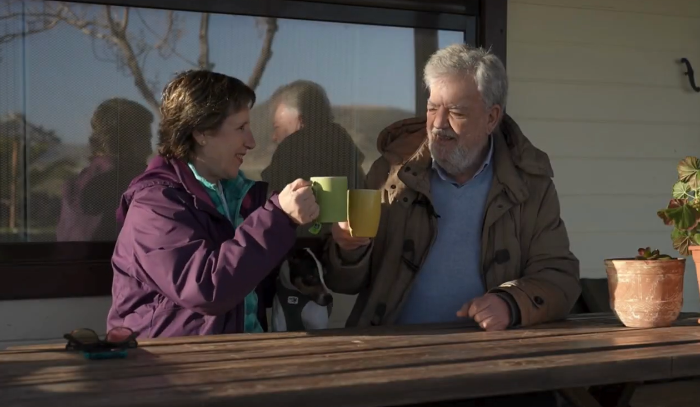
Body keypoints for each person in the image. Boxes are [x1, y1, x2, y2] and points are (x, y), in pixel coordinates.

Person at [324, 44, 580, 331]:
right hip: (394, 348)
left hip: (489, 356)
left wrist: (512, 303)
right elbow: (344, 283)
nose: (438, 124)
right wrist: (349, 250)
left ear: (492, 118)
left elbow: (560, 277)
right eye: (433, 108)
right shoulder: (392, 173)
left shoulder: (531, 186)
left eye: (456, 112)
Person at [107, 70, 319, 338]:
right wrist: (278, 217)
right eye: (241, 128)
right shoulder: (155, 204)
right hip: (171, 369)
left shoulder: (243, 198)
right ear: (201, 132)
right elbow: (205, 289)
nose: (251, 142)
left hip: (239, 360)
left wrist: (344, 247)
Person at [56, 98, 154, 241]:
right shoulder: (135, 186)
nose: (150, 149)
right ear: (128, 140)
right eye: (146, 139)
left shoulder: (76, 185)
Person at [261, 80, 366, 195]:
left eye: (277, 127)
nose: (274, 137)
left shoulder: (289, 154)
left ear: (301, 122)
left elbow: (269, 206)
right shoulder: (349, 158)